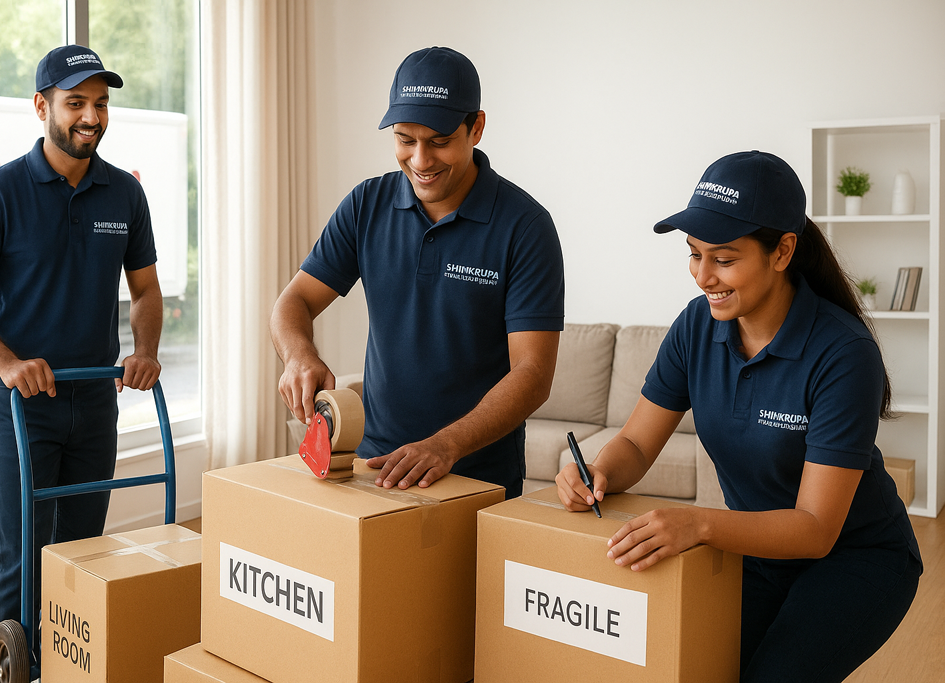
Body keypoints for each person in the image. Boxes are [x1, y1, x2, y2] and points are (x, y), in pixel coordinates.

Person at [556, 151, 921, 682]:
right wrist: (600, 470)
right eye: (693, 254)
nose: (703, 277)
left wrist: (699, 523)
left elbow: (816, 529)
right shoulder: (696, 328)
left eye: (724, 259)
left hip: (856, 558)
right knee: (697, 667)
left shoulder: (843, 353)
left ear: (783, 252)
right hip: (755, 550)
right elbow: (635, 443)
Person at [271, 47, 564, 499]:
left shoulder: (525, 227)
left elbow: (533, 373)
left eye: (440, 140)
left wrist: (446, 445)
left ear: (476, 128)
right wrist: (298, 354)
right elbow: (293, 303)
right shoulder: (366, 205)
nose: (421, 160)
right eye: (406, 139)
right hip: (373, 465)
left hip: (477, 477)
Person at [0, 45, 163, 647]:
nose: (90, 116)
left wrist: (143, 349)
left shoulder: (125, 194)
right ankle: (16, 662)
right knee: (23, 554)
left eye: (100, 103)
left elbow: (144, 291)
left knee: (84, 551)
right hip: (21, 406)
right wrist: (9, 364)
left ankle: (73, 659)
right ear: (41, 106)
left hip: (94, 402)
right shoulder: (0, 194)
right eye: (75, 103)